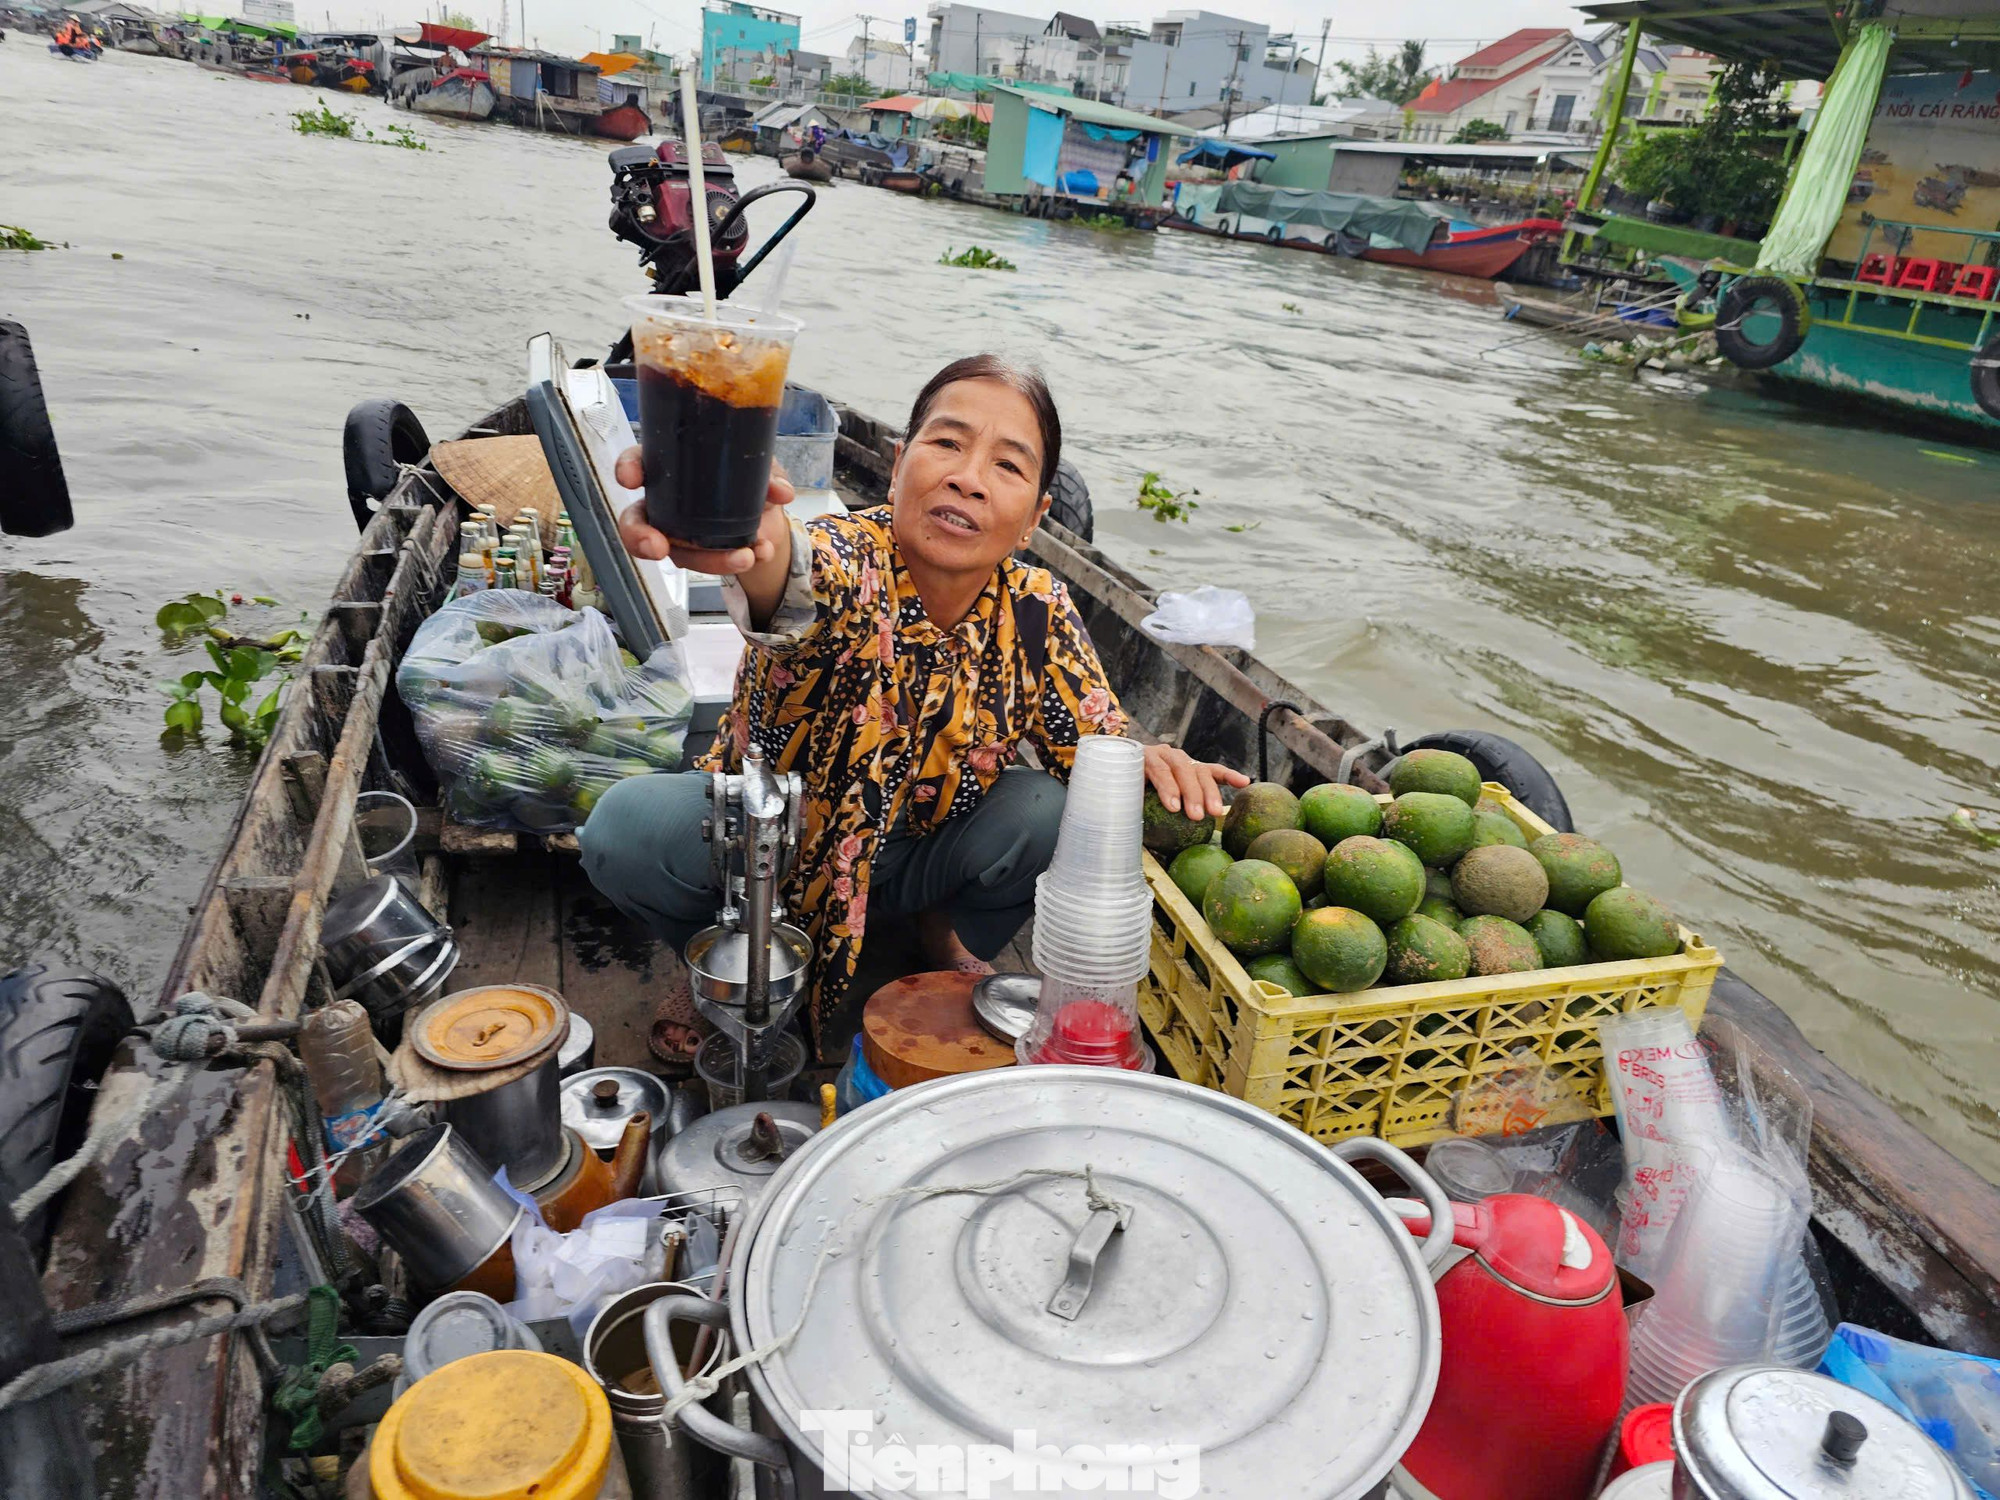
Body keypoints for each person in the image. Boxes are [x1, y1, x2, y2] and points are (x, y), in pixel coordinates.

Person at [580, 355, 1247, 1066]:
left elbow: (1096, 741)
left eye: (1009, 466)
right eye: (948, 443)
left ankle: (938, 937)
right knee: (619, 831)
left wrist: (1146, 760)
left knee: (1054, 810)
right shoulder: (847, 558)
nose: (968, 476)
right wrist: (744, 535)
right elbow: (788, 569)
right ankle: (716, 952)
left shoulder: (1038, 610)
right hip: (765, 849)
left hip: (916, 852)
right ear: (898, 467)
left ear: (1034, 520)